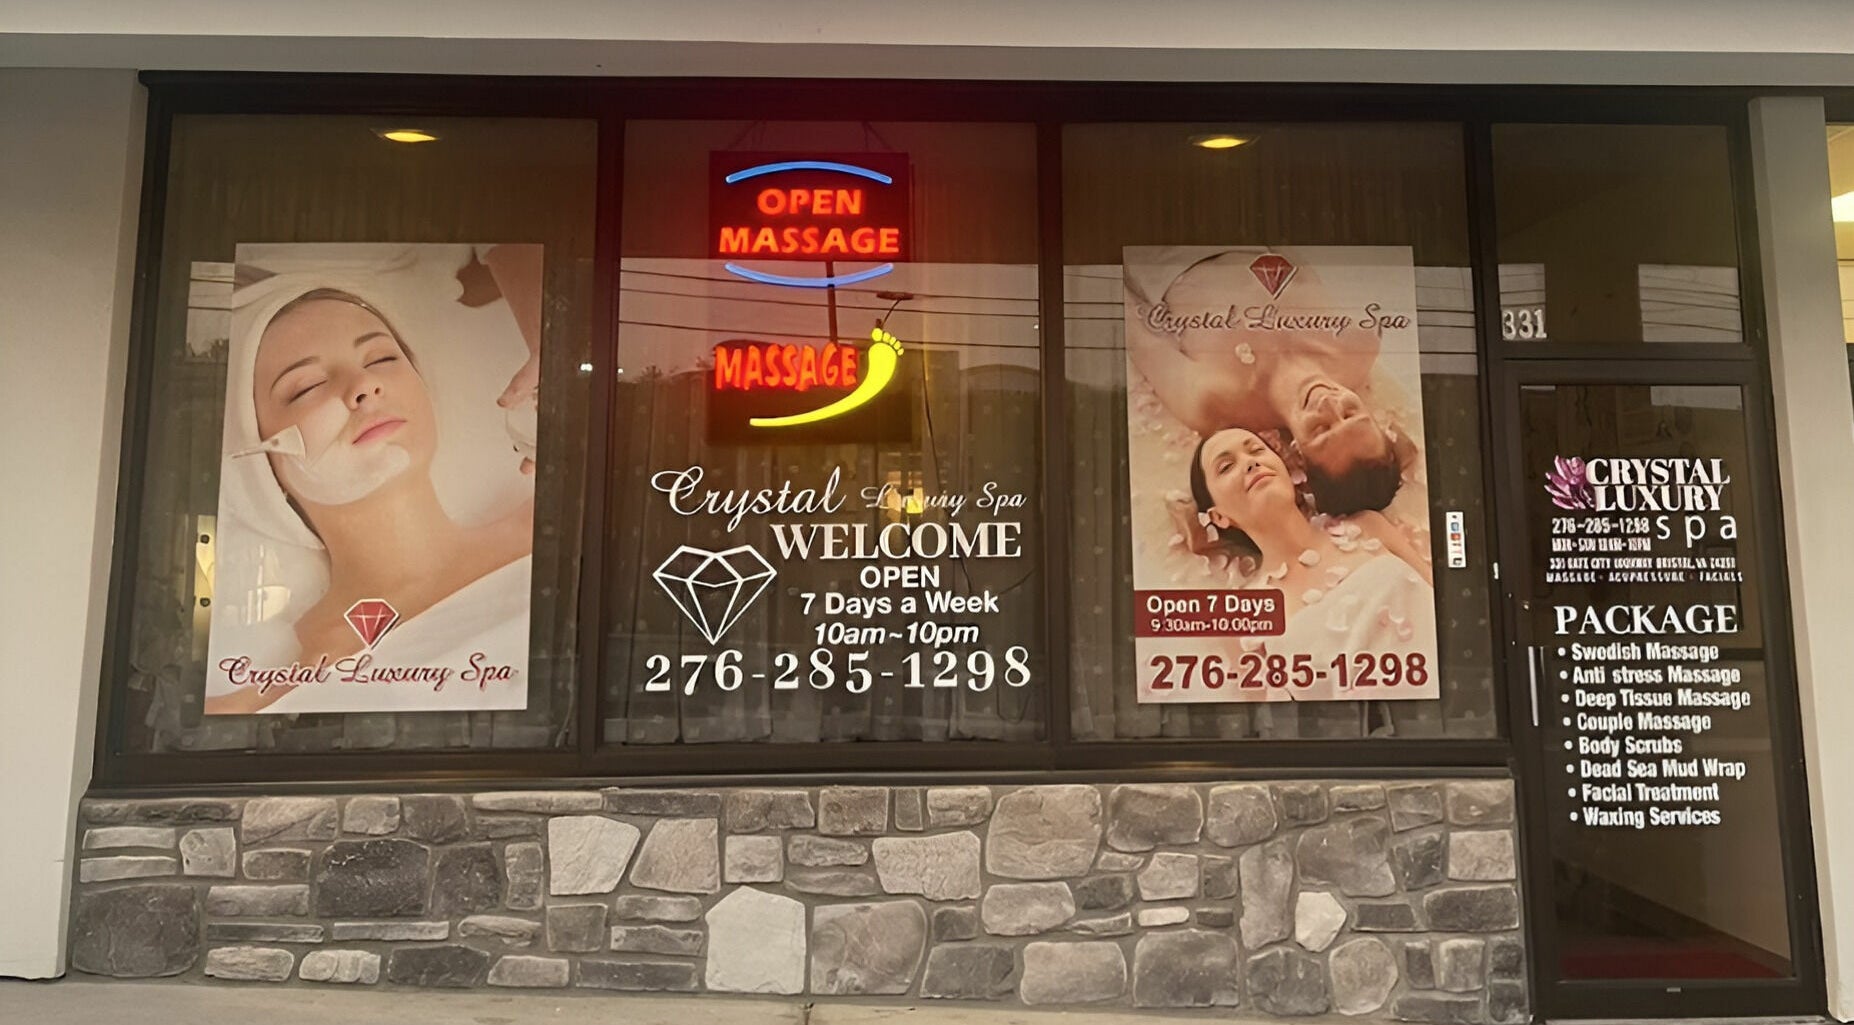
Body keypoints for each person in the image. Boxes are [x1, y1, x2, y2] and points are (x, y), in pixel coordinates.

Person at [205, 268, 536, 715]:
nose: (363, 384)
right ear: (262, 465)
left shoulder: (557, 534)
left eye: (381, 358)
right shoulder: (278, 691)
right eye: (307, 387)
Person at [1128, 250, 1413, 515]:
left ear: (1298, 457)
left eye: (1321, 428)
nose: (1328, 402)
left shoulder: (1214, 402)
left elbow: (1132, 326)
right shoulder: (1359, 345)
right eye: (1351, 412)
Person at [1173, 427, 1434, 698]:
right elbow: (1271, 716)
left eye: (1257, 450)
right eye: (1226, 467)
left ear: (1286, 470)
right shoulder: (1244, 618)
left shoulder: (1369, 526)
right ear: (1218, 517)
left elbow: (1441, 603)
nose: (1250, 462)